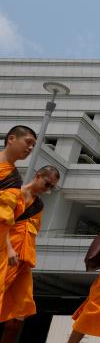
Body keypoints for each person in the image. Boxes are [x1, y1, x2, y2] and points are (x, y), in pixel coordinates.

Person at [0, 166, 60, 343]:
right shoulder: (14, 193)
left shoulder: (39, 205)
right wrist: (9, 249)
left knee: (19, 314)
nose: (47, 188)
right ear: (38, 175)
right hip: (4, 255)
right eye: (46, 183)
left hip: (22, 262)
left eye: (51, 187)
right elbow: (3, 224)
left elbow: (30, 232)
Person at [0, 126, 36, 312]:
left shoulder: (14, 179)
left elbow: (7, 220)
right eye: (28, 142)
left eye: (33, 145)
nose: (30, 148)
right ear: (12, 139)